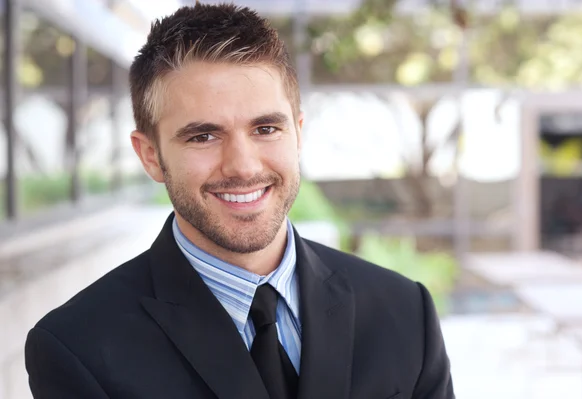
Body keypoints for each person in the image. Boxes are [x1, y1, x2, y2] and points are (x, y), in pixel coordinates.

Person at [24, 3, 454, 398]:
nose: (243, 166)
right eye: (203, 136)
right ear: (151, 156)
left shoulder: (405, 311)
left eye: (266, 128)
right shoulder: (77, 347)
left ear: (298, 133)